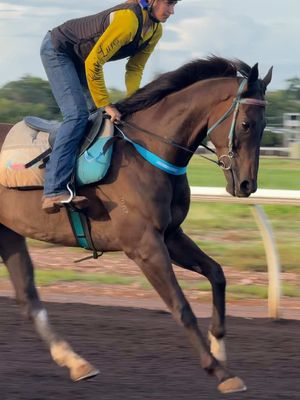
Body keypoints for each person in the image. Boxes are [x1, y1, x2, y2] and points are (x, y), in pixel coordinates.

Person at [40, 0, 180, 214]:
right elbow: (94, 63)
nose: (171, 11)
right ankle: (53, 190)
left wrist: (136, 103)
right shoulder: (127, 20)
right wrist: (106, 103)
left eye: (175, 5)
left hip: (81, 58)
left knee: (95, 116)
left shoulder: (155, 31)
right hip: (59, 50)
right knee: (77, 115)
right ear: (152, 1)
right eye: (169, 4)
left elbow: (135, 68)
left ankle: (78, 182)